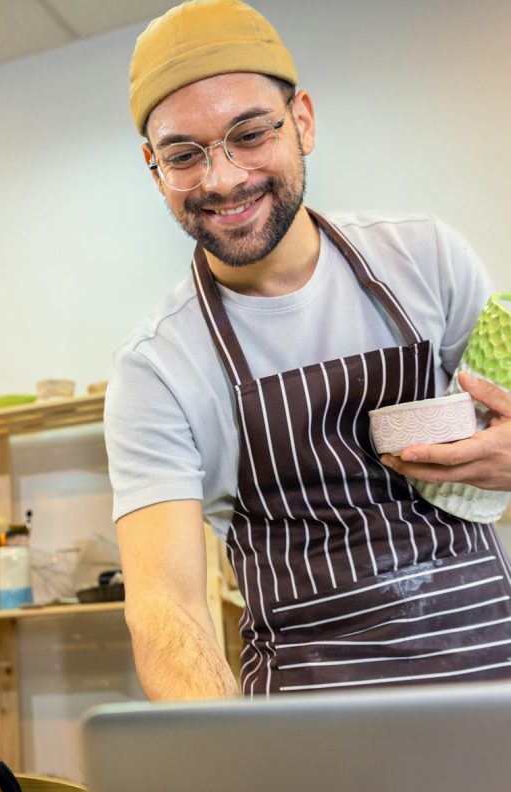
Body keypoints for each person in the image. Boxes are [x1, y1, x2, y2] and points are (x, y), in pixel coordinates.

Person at [105, 0, 511, 700]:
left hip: (488, 675)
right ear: (154, 168)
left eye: (250, 134)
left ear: (303, 123)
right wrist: (241, 767)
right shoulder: (156, 371)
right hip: (310, 721)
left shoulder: (426, 260)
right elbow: (165, 605)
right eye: (184, 155)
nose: (224, 178)